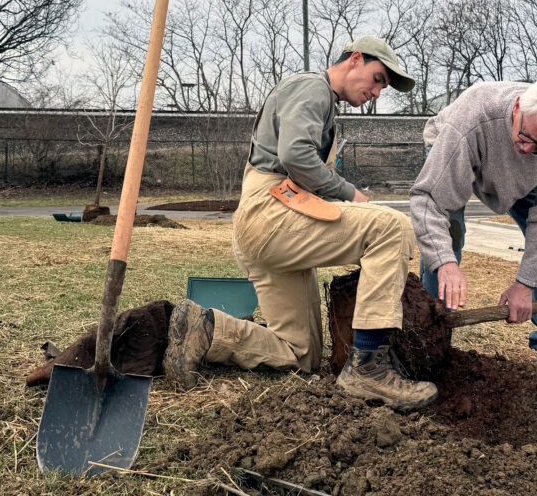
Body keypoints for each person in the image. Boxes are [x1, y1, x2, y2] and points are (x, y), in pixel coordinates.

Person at [164, 37, 438, 410]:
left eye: (382, 87)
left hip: (267, 224)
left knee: (302, 354)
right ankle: (369, 366)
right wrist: (348, 193)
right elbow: (295, 154)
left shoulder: (318, 97)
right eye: (376, 79)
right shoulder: (314, 87)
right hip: (271, 214)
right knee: (390, 226)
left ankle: (207, 329)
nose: (375, 92)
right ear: (354, 59)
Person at [410, 78, 537, 365]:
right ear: (517, 108)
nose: (528, 149)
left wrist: (525, 285)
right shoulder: (474, 115)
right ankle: (433, 333)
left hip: (529, 181)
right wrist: (445, 263)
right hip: (461, 149)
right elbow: (430, 202)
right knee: (447, 239)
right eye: (525, 137)